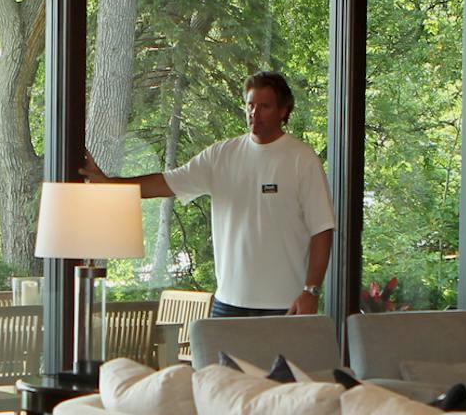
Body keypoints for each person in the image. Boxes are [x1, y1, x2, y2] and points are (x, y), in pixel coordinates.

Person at [81, 71, 334, 317]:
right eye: (250, 105)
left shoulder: (302, 159)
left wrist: (311, 291)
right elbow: (166, 183)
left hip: (285, 305)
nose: (254, 114)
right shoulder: (220, 156)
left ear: (283, 111)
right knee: (216, 363)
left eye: (264, 106)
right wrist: (108, 183)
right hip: (228, 303)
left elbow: (322, 230)